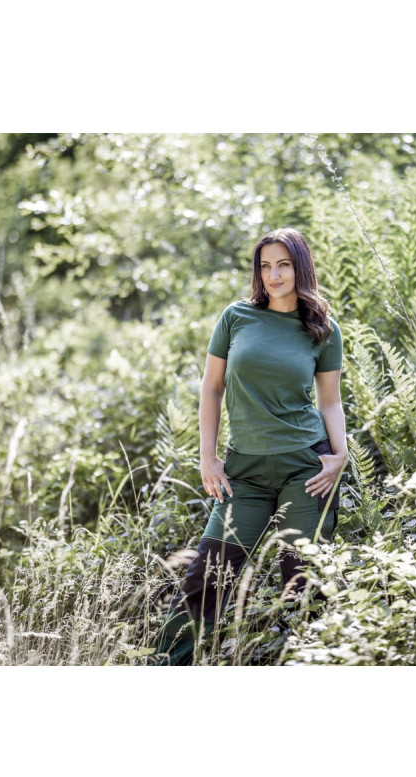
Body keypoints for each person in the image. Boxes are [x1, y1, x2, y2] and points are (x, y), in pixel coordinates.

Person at [146, 226, 347, 665]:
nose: (274, 275)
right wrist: (208, 457)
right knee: (205, 580)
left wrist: (341, 456)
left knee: (303, 585)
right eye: (265, 266)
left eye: (284, 265)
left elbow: (330, 401)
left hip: (306, 469)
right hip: (245, 474)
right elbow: (211, 388)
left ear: (301, 267)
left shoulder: (322, 329)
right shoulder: (236, 317)